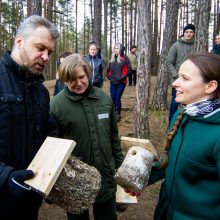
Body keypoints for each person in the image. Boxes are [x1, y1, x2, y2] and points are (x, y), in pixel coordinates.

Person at [50, 54, 124, 220]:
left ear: (88, 73)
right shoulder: (56, 106)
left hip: (105, 173)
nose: (78, 83)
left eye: (81, 77)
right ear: (63, 80)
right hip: (75, 180)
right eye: (71, 80)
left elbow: (113, 136)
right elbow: (52, 148)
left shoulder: (104, 99)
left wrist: (121, 166)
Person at [148, 51, 220, 219]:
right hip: (167, 211)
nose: (174, 83)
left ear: (210, 86)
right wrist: (143, 179)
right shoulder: (182, 114)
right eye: (178, 76)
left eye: (185, 78)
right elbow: (172, 160)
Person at [0, 15, 59, 219]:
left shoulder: (40, 91)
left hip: (30, 201)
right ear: (19, 41)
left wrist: (59, 162)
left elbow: (48, 133)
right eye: (40, 48)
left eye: (49, 52)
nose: (45, 57)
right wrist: (5, 177)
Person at [167, 23, 195, 123]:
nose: (189, 34)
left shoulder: (196, 46)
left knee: (190, 103)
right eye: (187, 32)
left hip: (192, 80)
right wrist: (176, 75)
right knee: (175, 102)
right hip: (178, 80)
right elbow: (169, 63)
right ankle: (171, 125)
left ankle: (185, 124)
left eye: (191, 32)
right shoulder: (176, 45)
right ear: (183, 33)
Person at [107, 43, 131, 122]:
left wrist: (122, 77)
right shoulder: (112, 58)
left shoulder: (125, 58)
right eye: (115, 48)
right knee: (112, 98)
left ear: (121, 49)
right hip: (113, 81)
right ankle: (113, 113)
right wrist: (109, 76)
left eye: (117, 48)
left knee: (117, 97)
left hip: (121, 82)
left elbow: (129, 70)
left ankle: (118, 113)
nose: (116, 49)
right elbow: (109, 70)